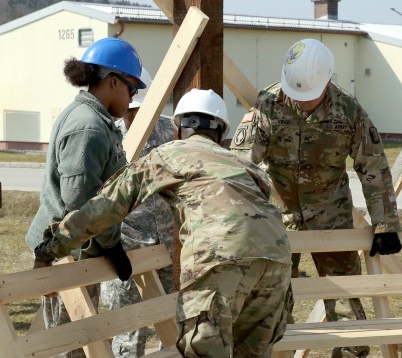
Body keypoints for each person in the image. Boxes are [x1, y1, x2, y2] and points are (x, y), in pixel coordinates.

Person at [33, 88, 293, 358]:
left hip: (220, 256)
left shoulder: (169, 154)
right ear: (223, 134)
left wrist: (51, 249)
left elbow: (105, 206)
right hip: (277, 261)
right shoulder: (243, 164)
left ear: (177, 128)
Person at [230, 38, 402, 358]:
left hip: (332, 218)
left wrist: (385, 223)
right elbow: (240, 166)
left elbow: (373, 165)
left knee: (349, 309)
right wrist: (240, 221)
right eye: (298, 95)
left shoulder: (348, 111)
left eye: (310, 96)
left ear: (327, 80)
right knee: (272, 307)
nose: (303, 102)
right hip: (278, 222)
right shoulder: (268, 106)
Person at [25, 37, 146, 358]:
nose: (133, 98)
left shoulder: (95, 120)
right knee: (71, 348)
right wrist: (111, 244)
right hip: (68, 252)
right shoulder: (88, 128)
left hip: (79, 248)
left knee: (77, 342)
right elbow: (80, 205)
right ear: (114, 81)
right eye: (132, 89)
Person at [100, 67, 175, 358]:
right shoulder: (108, 134)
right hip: (126, 247)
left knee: (171, 321)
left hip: (168, 244)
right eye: (130, 109)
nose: (132, 115)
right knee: (128, 331)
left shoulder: (171, 131)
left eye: (139, 109)